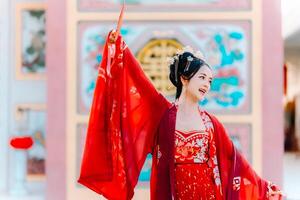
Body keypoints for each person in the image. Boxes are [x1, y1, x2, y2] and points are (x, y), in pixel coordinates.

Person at [78, 30, 283, 200]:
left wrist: (265, 189)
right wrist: (116, 49)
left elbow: (236, 162)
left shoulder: (211, 123)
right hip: (171, 194)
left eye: (210, 81)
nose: (206, 84)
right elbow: (137, 80)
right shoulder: (162, 114)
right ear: (184, 78)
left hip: (207, 195)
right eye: (202, 77)